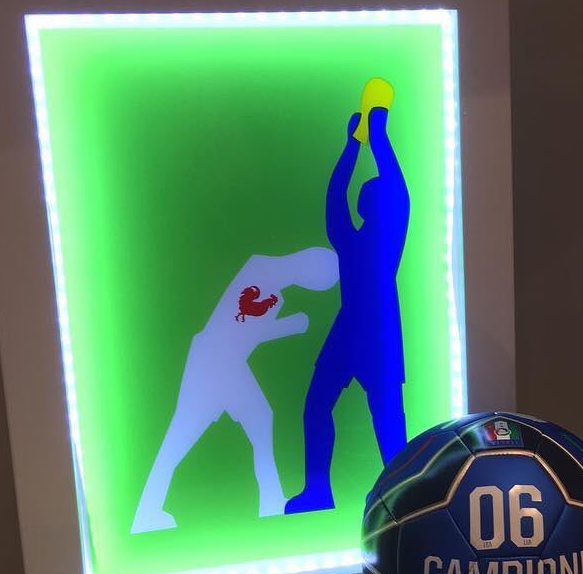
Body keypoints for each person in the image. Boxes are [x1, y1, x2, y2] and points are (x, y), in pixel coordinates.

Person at [130, 247, 339, 533]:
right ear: (308, 265)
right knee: (180, 438)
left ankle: (271, 501)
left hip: (225, 361)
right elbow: (245, 329)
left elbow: (245, 332)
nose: (311, 285)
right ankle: (147, 511)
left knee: (258, 420)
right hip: (214, 362)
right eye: (316, 280)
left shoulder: (271, 281)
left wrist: (289, 325)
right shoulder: (262, 273)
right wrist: (291, 325)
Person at [285, 106, 410, 513]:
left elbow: (393, 187)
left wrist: (376, 137)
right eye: (370, 194)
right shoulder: (350, 238)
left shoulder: (387, 236)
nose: (373, 195)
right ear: (365, 206)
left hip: (379, 333)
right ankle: (318, 490)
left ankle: (402, 495)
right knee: (318, 404)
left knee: (387, 419)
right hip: (351, 330)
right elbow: (335, 195)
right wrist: (353, 145)